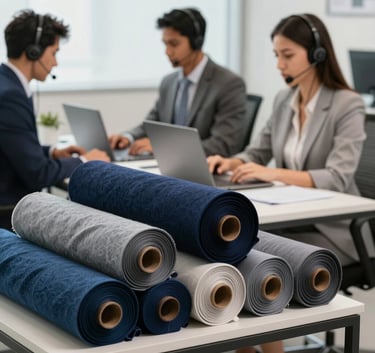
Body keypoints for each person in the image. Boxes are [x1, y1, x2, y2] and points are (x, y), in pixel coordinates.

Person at [208, 13, 375, 353]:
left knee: (261, 264)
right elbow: (259, 149)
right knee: (234, 250)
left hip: (338, 231)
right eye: (276, 55)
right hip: (293, 224)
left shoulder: (347, 104)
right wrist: (234, 161)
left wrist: (271, 173)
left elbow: (338, 177)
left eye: (287, 55)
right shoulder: (285, 100)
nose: (279, 64)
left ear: (316, 55)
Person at [0, 9, 110, 230]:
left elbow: (12, 148)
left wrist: (51, 152)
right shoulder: (9, 95)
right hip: (8, 215)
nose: (55, 62)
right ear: (33, 51)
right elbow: (37, 173)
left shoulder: (7, 84)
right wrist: (86, 162)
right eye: (54, 52)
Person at [109, 8, 248, 157]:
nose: (167, 52)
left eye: (174, 44)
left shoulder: (228, 84)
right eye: (165, 44)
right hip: (169, 167)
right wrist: (128, 137)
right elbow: (152, 123)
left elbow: (224, 144)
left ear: (197, 42)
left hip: (205, 172)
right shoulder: (169, 82)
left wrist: (164, 148)